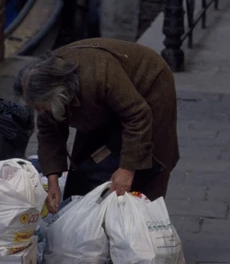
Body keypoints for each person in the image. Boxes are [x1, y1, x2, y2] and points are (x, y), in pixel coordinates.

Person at [14, 38, 179, 213]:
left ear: (58, 94)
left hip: (148, 85)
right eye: (36, 108)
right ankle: (89, 215)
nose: (39, 112)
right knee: (88, 163)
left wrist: (126, 170)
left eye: (41, 107)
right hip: (102, 97)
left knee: (145, 165)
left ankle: (143, 221)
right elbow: (49, 132)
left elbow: (137, 115)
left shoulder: (98, 75)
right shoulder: (48, 92)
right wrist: (52, 181)